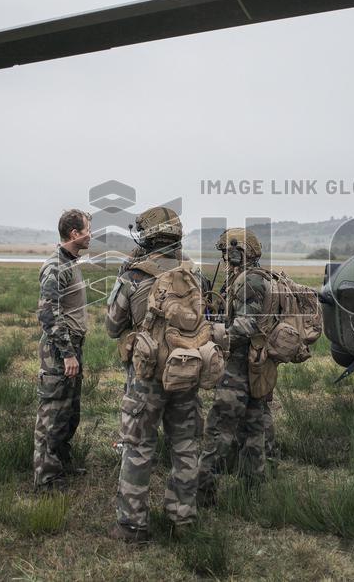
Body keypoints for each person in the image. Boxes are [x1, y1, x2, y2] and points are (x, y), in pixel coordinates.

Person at [105, 206, 206, 543]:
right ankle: (184, 522)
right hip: (186, 373)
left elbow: (112, 326)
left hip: (145, 378)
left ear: (147, 236)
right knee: (186, 446)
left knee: (138, 447)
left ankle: (132, 527)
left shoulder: (134, 276)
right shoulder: (195, 275)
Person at [198, 228, 272, 503]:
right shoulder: (248, 278)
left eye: (227, 254)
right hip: (252, 366)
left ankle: (202, 493)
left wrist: (210, 330)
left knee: (218, 428)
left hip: (239, 368)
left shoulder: (249, 281)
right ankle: (252, 491)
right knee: (253, 428)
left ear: (238, 252)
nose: (225, 259)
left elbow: (246, 325)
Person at [33, 209, 91, 492]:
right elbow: (48, 314)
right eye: (88, 229)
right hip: (59, 351)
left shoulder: (71, 263)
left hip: (71, 347)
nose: (91, 235)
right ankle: (46, 479)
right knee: (52, 414)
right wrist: (67, 353)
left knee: (69, 413)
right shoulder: (55, 266)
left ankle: (61, 465)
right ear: (75, 234)